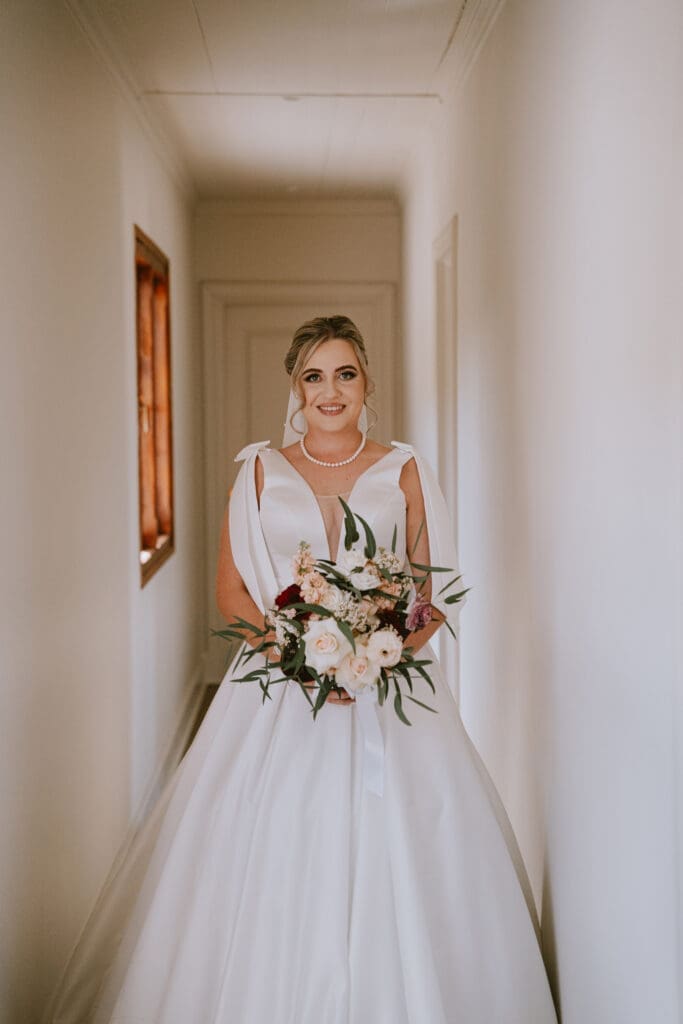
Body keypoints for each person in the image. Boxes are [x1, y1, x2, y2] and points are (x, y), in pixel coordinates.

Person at [43, 316, 559, 1023]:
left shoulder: (402, 467)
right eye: (314, 375)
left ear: (366, 382)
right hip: (281, 690)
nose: (330, 389)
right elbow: (231, 594)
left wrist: (371, 658)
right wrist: (303, 662)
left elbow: (431, 592)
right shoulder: (258, 467)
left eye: (344, 373)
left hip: (389, 689)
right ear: (294, 386)